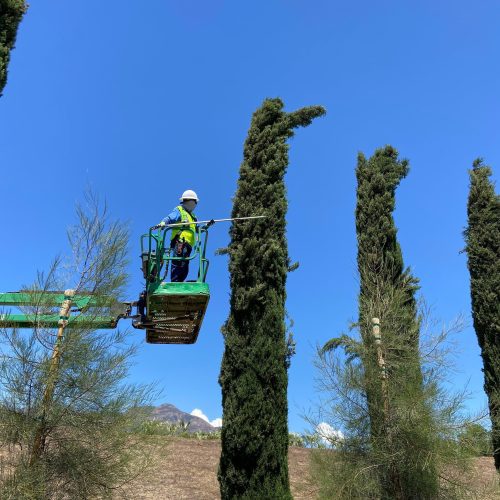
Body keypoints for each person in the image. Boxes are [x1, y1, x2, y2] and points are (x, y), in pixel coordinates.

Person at [159, 189, 199, 282]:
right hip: (180, 242)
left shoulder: (193, 217)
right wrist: (163, 223)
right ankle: (175, 281)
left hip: (189, 245)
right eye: (194, 202)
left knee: (185, 266)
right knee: (178, 263)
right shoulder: (179, 210)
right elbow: (170, 218)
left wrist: (205, 227)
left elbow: (196, 229)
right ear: (189, 201)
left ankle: (180, 281)